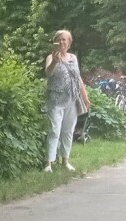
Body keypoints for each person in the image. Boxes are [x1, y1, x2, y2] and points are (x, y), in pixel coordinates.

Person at [43, 29, 89, 172]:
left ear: (69, 43)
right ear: (55, 42)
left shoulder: (73, 58)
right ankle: (48, 163)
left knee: (68, 130)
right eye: (60, 39)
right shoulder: (51, 57)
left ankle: (65, 161)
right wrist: (54, 62)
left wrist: (85, 96)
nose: (62, 42)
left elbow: (78, 78)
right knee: (54, 130)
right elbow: (48, 73)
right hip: (56, 99)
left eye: (65, 40)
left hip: (72, 99)